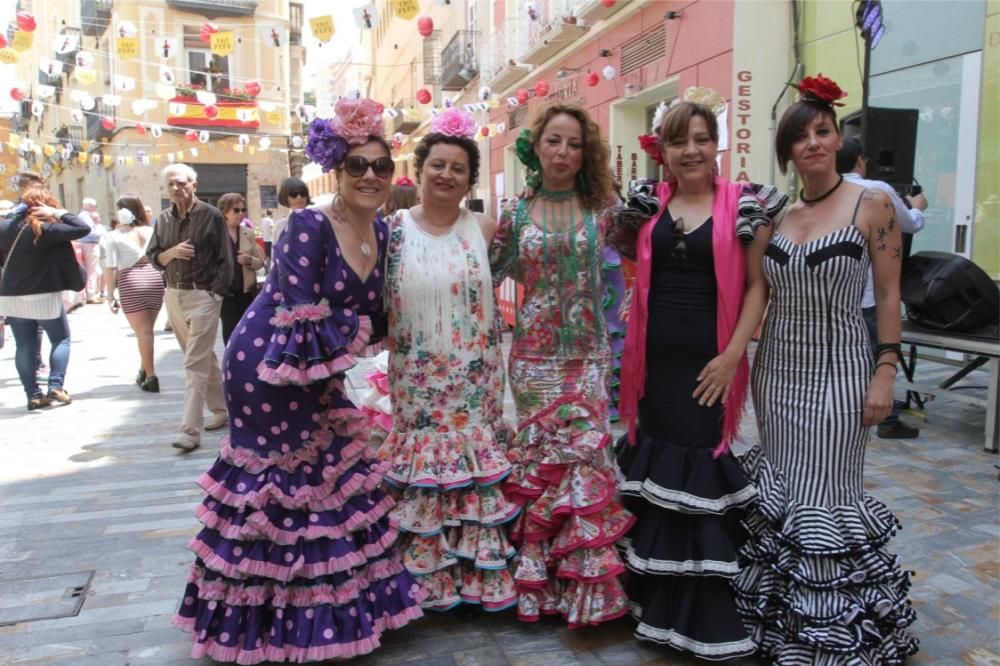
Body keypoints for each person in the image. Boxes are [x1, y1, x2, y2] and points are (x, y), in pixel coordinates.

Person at [173, 97, 425, 661]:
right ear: (338, 168)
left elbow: (383, 312)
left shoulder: (383, 235)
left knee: (327, 475)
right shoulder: (309, 224)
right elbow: (299, 311)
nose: (370, 175)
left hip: (320, 368)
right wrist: (364, 326)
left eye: (381, 166)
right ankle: (269, 623)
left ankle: (331, 611)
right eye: (357, 165)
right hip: (266, 365)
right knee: (281, 485)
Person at [732, 75, 919, 663]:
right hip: (778, 374)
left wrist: (885, 372)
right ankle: (786, 624)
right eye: (800, 136)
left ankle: (836, 632)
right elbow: (757, 286)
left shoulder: (874, 204)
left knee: (828, 493)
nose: (813, 142)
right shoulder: (777, 212)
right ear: (787, 150)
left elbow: (888, 297)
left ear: (838, 138)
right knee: (784, 488)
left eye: (822, 131)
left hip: (842, 371)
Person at [608, 100, 787, 660]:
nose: (692, 150)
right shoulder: (648, 205)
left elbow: (759, 285)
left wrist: (734, 355)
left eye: (703, 139)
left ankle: (698, 618)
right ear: (663, 149)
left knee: (698, 471)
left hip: (710, 366)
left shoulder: (743, 206)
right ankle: (654, 608)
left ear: (717, 146)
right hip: (652, 367)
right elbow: (624, 258)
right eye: (680, 141)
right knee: (656, 471)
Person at [490, 103, 633, 627]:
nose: (564, 153)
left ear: (585, 152)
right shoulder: (516, 213)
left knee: (583, 462)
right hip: (531, 358)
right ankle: (539, 587)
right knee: (541, 465)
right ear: (538, 146)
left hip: (590, 355)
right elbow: (484, 273)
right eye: (554, 141)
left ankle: (588, 590)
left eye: (574, 144)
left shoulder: (606, 211)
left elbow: (645, 259)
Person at [378, 108, 518, 613]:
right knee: (424, 471)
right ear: (418, 171)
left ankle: (475, 581)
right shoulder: (391, 229)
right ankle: (422, 582)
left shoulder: (484, 228)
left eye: (458, 168)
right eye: (437, 165)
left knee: (473, 471)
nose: (446, 175)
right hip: (415, 377)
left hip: (475, 376)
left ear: (469, 179)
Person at [837, 136, 927, 438]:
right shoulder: (878, 191)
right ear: (860, 161)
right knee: (880, 355)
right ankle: (886, 419)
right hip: (869, 295)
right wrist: (917, 207)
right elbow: (909, 224)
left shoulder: (829, 195)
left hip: (841, 298)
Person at [146, 163, 232, 452]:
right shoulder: (162, 220)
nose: (176, 189)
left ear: (194, 184)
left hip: (203, 296)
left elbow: (225, 260)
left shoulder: (212, 216)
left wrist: (215, 295)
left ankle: (189, 431)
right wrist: (170, 253)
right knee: (202, 358)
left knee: (194, 363)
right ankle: (221, 409)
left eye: (181, 183)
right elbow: (153, 256)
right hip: (173, 294)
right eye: (171, 184)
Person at [0, 186, 88, 410]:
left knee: (24, 345)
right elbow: (82, 227)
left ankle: (33, 395)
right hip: (43, 294)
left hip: (11, 294)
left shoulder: (4, 227)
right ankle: (56, 385)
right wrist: (58, 213)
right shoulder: (48, 229)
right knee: (60, 338)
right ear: (45, 204)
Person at [105, 196, 164, 392]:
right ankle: (143, 370)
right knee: (148, 331)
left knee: (143, 332)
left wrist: (109, 295)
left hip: (130, 279)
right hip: (154, 277)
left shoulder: (113, 235)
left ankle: (151, 375)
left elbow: (111, 267)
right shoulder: (151, 230)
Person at [218, 193, 264, 346]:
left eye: (243, 210)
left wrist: (249, 260)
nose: (241, 214)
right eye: (236, 210)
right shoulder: (215, 233)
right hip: (225, 291)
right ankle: (230, 362)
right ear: (225, 211)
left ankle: (244, 362)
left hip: (246, 290)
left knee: (247, 328)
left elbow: (260, 263)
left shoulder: (248, 233)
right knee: (230, 328)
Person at [77, 197, 105, 304]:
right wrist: (100, 232)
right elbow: (90, 233)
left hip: (87, 244)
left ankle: (91, 294)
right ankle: (91, 295)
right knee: (91, 271)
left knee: (92, 270)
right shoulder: (85, 216)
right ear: (91, 206)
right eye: (95, 206)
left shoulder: (83, 216)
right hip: (90, 245)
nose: (96, 208)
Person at [273, 177, 311, 242]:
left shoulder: (318, 222)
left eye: (303, 193)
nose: (299, 197)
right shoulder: (280, 225)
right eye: (294, 194)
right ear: (285, 197)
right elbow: (276, 251)